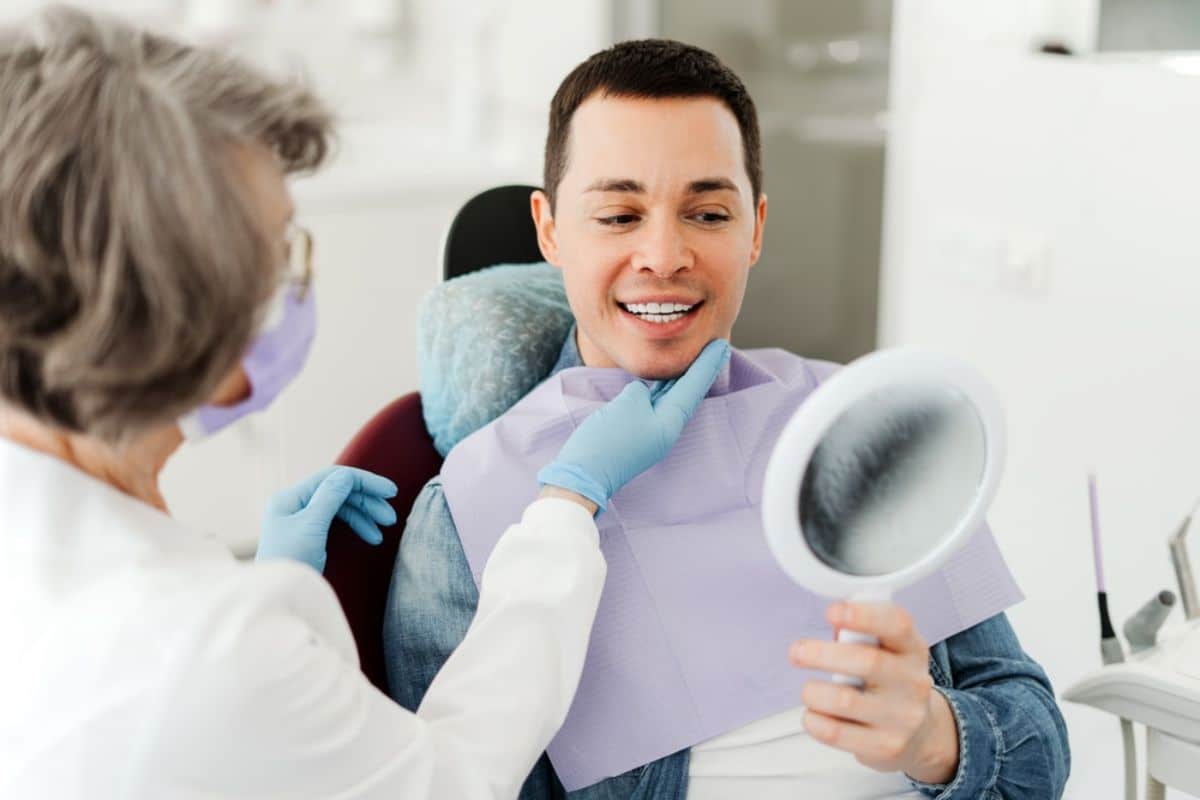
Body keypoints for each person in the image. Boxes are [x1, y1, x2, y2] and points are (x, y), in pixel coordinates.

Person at [0, 8, 729, 798]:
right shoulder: (210, 645)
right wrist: (566, 500)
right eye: (279, 253)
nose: (662, 254)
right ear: (175, 304)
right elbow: (453, 783)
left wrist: (274, 585)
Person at [387, 40, 1071, 799]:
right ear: (550, 230)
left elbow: (1040, 757)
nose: (664, 253)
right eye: (618, 214)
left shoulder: (868, 432)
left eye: (707, 212)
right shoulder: (469, 514)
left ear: (755, 227)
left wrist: (936, 737)